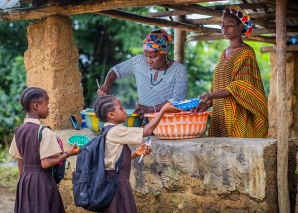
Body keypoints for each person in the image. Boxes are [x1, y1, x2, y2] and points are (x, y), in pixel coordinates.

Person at [93, 95, 181, 212]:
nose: (124, 110)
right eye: (121, 108)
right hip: (115, 183)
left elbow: (114, 161)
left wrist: (135, 153)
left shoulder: (106, 130)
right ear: (111, 115)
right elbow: (147, 131)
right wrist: (163, 111)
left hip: (113, 181)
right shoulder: (115, 131)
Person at [192, 5, 268, 138]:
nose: (224, 28)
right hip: (220, 114)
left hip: (237, 114)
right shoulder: (223, 53)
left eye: (230, 24)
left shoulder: (246, 53)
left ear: (240, 27)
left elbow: (240, 86)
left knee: (238, 153)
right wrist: (206, 104)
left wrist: (211, 95)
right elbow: (218, 86)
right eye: (222, 24)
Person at [8, 87, 80, 213]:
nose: (48, 108)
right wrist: (68, 153)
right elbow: (45, 163)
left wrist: (25, 180)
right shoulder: (44, 131)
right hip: (42, 181)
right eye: (46, 105)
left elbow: (20, 161)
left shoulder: (19, 131)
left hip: (25, 180)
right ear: (36, 106)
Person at [97, 29, 188, 116]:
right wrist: (106, 85)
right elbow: (116, 70)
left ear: (164, 53)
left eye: (152, 57)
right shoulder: (139, 62)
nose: (148, 61)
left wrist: (151, 109)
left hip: (168, 124)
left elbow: (177, 100)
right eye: (146, 56)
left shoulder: (179, 70)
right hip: (145, 122)